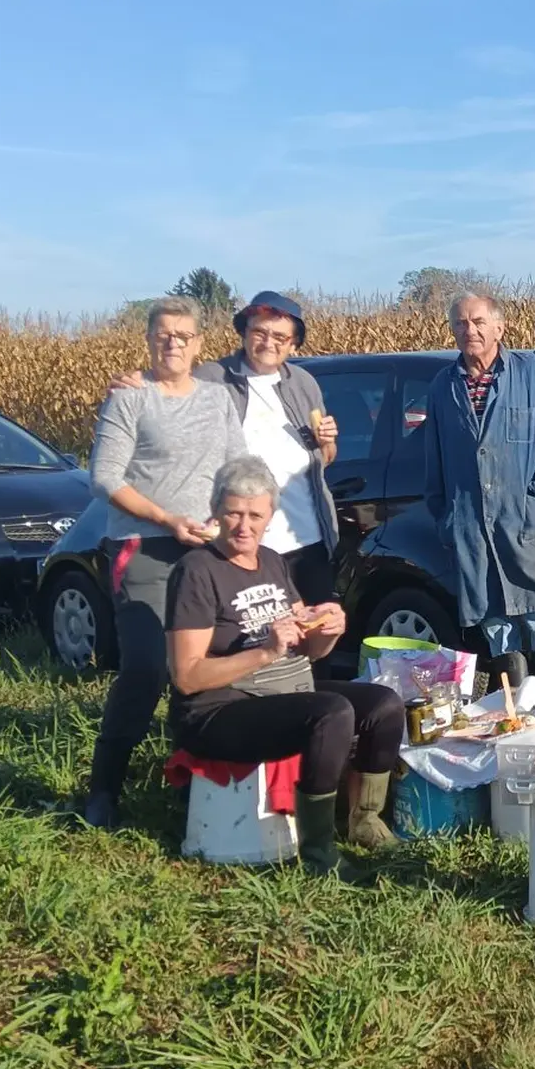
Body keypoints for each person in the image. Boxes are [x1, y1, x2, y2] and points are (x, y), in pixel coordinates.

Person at [166, 455, 405, 877]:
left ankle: (364, 819)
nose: (244, 526)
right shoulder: (197, 572)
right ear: (216, 511)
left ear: (270, 516)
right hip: (218, 709)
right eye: (233, 513)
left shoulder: (274, 562)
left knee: (385, 703)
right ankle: (318, 852)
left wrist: (329, 628)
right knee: (331, 713)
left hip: (286, 689)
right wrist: (264, 653)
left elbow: (310, 652)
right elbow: (186, 677)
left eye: (255, 515)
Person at [82, 297, 243, 828]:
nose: (173, 342)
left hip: (205, 548)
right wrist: (167, 519)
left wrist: (223, 522)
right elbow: (106, 477)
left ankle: (190, 778)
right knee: (148, 667)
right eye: (163, 334)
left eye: (183, 335)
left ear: (199, 344)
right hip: (144, 546)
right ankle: (104, 787)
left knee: (199, 670)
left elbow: (237, 466)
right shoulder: (130, 399)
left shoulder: (218, 399)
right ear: (149, 340)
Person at [108, 290, 341, 607]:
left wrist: (327, 443)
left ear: (294, 344)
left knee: (314, 635)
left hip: (306, 537)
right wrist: (132, 380)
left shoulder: (303, 383)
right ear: (244, 332)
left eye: (280, 337)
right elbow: (168, 380)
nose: (268, 343)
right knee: (258, 642)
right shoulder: (213, 379)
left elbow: (322, 462)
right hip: (247, 541)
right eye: (259, 332)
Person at [421, 292, 535, 684]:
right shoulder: (443, 387)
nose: (469, 330)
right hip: (473, 530)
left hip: (526, 526)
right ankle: (516, 717)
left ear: (499, 327)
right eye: (460, 323)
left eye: (478, 321)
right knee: (497, 625)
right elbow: (433, 462)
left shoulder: (529, 374)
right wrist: (448, 519)